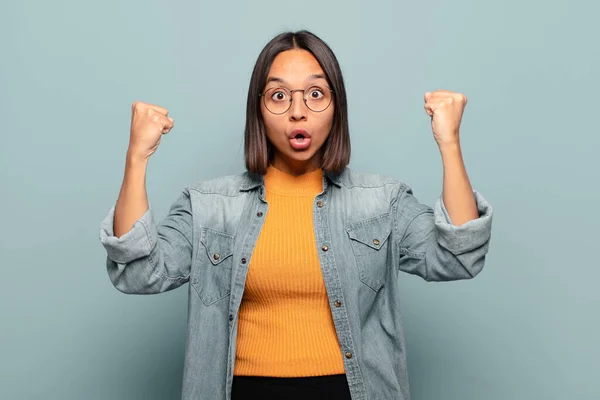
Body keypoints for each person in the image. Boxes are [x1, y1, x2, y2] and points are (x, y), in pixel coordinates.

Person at [99, 30, 493, 400]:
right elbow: (138, 272)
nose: (298, 112)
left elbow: (458, 255)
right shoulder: (209, 205)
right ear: (259, 108)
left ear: (337, 106)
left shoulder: (381, 202)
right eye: (279, 96)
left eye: (316, 93)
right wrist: (137, 157)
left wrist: (449, 143)